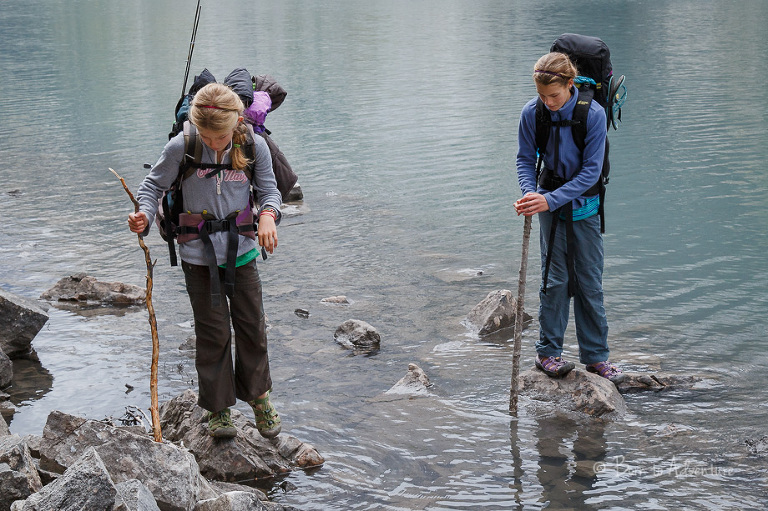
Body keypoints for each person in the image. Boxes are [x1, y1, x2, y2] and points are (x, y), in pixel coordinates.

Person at [128, 82, 283, 438]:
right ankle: (218, 409)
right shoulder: (182, 146)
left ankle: (259, 398)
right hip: (198, 255)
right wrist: (145, 216)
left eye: (221, 137)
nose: (215, 144)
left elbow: (270, 190)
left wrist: (268, 216)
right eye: (208, 137)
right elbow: (152, 187)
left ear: (237, 122)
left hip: (242, 251)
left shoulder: (251, 144)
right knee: (212, 332)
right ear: (197, 127)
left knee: (252, 326)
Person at [514, 52, 622, 381]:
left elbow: (590, 173)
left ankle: (596, 357)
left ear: (570, 84)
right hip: (549, 207)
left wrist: (548, 200)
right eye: (542, 95)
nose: (548, 102)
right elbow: (524, 159)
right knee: (554, 280)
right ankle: (547, 353)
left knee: (589, 282)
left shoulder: (593, 115)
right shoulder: (533, 113)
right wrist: (529, 193)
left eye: (554, 96)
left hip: (585, 208)